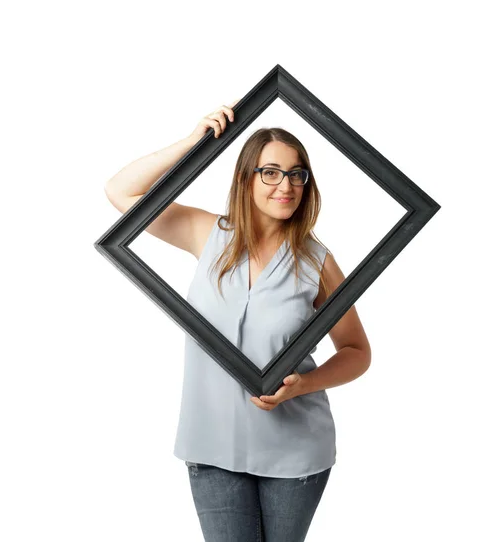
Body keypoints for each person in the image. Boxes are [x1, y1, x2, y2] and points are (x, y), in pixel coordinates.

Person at [104, 101, 372, 541]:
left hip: (295, 453)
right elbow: (121, 192)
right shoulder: (207, 233)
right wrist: (193, 143)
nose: (285, 185)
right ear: (246, 179)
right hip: (212, 446)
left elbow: (357, 352)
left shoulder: (317, 262)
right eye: (270, 171)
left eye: (296, 174)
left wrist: (303, 385)